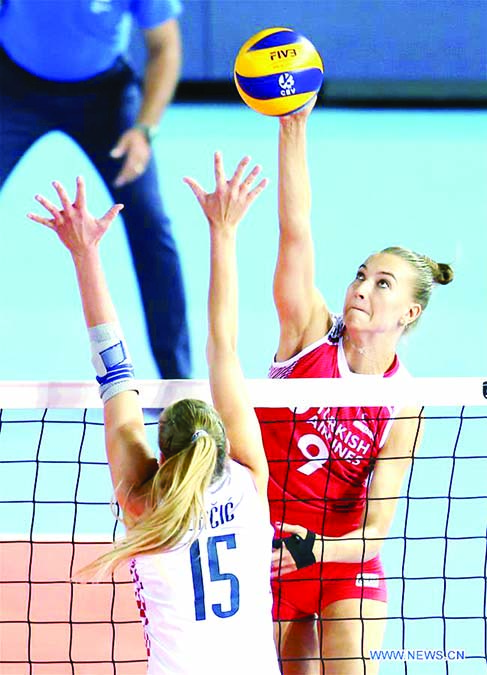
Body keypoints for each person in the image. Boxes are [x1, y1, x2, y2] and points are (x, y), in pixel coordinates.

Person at [28, 154, 279, 675]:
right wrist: (225, 232)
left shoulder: (145, 507)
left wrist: (85, 254)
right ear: (223, 446)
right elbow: (223, 348)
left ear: (161, 453)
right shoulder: (249, 483)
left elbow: (115, 375)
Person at [256, 101, 454, 674]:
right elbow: (295, 232)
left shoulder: (405, 403)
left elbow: (374, 531)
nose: (362, 288)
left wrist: (314, 549)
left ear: (410, 311)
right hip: (265, 550)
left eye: (383, 282)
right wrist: (293, 129)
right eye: (360, 275)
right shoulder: (308, 336)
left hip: (340, 557)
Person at [0, 0, 190, 379]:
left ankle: (178, 383)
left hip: (106, 99)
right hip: (12, 87)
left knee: (151, 226)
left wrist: (145, 129)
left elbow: (164, 46)